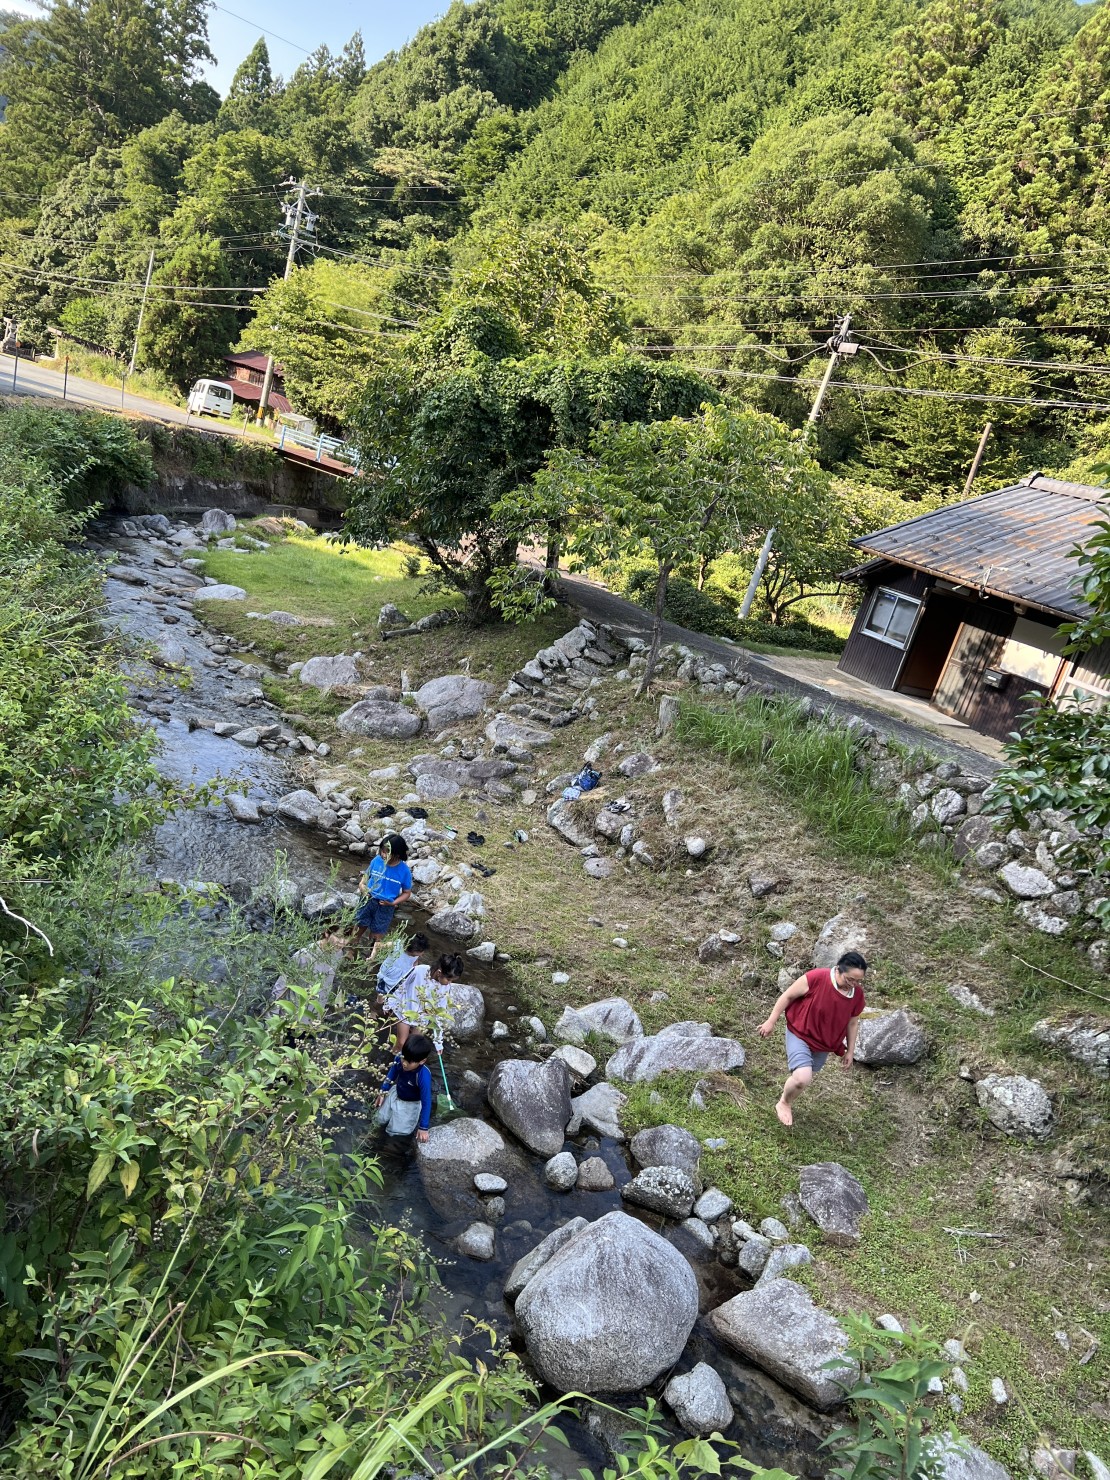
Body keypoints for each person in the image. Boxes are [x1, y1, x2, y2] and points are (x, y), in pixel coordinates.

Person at [757, 950, 868, 1127]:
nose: (853, 985)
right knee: (802, 1077)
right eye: (850, 979)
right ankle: (784, 1103)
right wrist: (771, 1021)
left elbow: (852, 1023)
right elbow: (788, 996)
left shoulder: (856, 995)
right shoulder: (817, 978)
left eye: (858, 981)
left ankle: (788, 1099)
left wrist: (850, 1050)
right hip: (800, 1032)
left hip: (824, 1043)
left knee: (802, 1079)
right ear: (839, 970)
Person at [382, 951, 465, 1058]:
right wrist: (389, 1003)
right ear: (439, 972)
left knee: (413, 1047)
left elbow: (439, 1012)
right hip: (404, 1011)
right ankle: (392, 1064)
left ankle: (405, 1066)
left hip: (422, 1018)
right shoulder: (419, 971)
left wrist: (438, 1042)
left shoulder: (445, 988)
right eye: (448, 979)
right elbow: (401, 984)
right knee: (401, 1043)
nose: (449, 983)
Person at [350, 833, 413, 957]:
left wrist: (394, 903)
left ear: (398, 853)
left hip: (386, 906)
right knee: (358, 926)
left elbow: (407, 893)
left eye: (387, 852)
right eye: (382, 851)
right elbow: (365, 879)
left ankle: (370, 956)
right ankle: (351, 950)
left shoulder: (404, 871)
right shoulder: (377, 861)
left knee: (377, 934)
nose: (384, 855)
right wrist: (362, 886)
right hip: (368, 899)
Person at [376, 1032, 434, 1141]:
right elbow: (392, 1074)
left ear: (422, 1061)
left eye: (409, 1062)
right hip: (395, 1093)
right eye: (404, 1058)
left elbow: (426, 1101)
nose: (404, 1063)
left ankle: (388, 1148)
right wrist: (383, 1091)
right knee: (380, 1118)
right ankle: (372, 1135)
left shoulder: (423, 1076)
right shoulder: (400, 1057)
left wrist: (423, 1127)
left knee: (397, 1132)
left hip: (410, 1105)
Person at [374, 931, 429, 1007]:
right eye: (422, 952)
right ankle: (374, 1008)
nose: (423, 954)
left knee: (392, 998)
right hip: (387, 977)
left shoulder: (416, 955)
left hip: (400, 979)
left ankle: (384, 1008)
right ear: (414, 951)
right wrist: (372, 958)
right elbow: (378, 945)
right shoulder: (396, 945)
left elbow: (415, 963)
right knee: (381, 998)